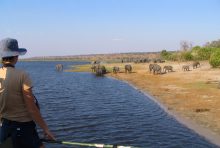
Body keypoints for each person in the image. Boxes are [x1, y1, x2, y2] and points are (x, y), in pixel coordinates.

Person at [0, 38, 55, 148]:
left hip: (5, 129)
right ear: (16, 56)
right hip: (24, 129)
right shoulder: (22, 75)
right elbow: (31, 108)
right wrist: (46, 129)